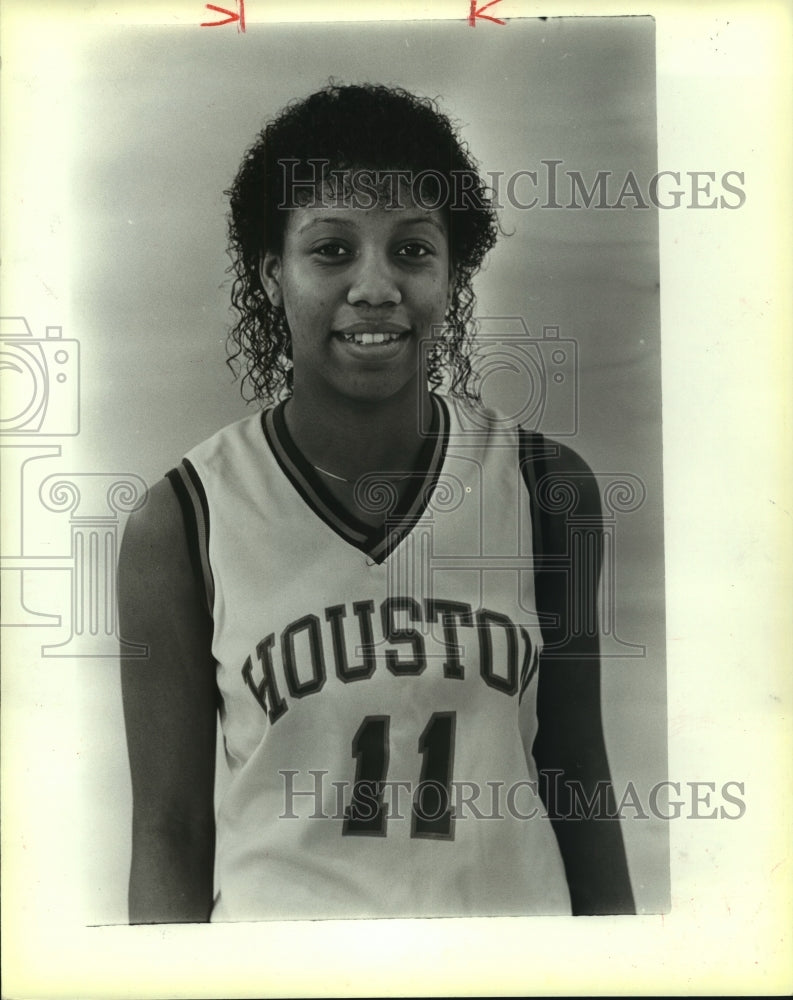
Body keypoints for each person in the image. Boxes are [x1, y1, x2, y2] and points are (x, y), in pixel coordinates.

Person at [119, 82, 635, 923]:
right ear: (270, 272)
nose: (375, 286)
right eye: (330, 250)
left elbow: (578, 779)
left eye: (411, 251)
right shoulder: (181, 519)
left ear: (451, 272)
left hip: (508, 970)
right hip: (283, 975)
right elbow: (168, 830)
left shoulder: (546, 487)